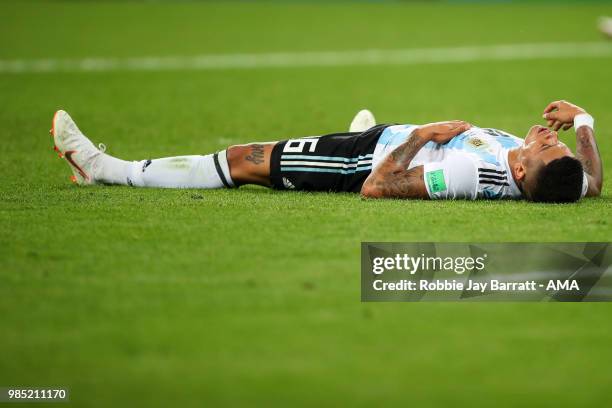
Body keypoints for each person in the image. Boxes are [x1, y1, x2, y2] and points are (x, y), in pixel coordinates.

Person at [49, 100, 601, 203]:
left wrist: (423, 136)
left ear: (522, 168)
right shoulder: (560, 180)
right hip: (378, 139)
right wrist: (585, 123)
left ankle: (102, 169)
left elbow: (377, 187)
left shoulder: (467, 173)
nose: (551, 138)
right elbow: (592, 184)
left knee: (245, 159)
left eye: (550, 145)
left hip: (365, 158)